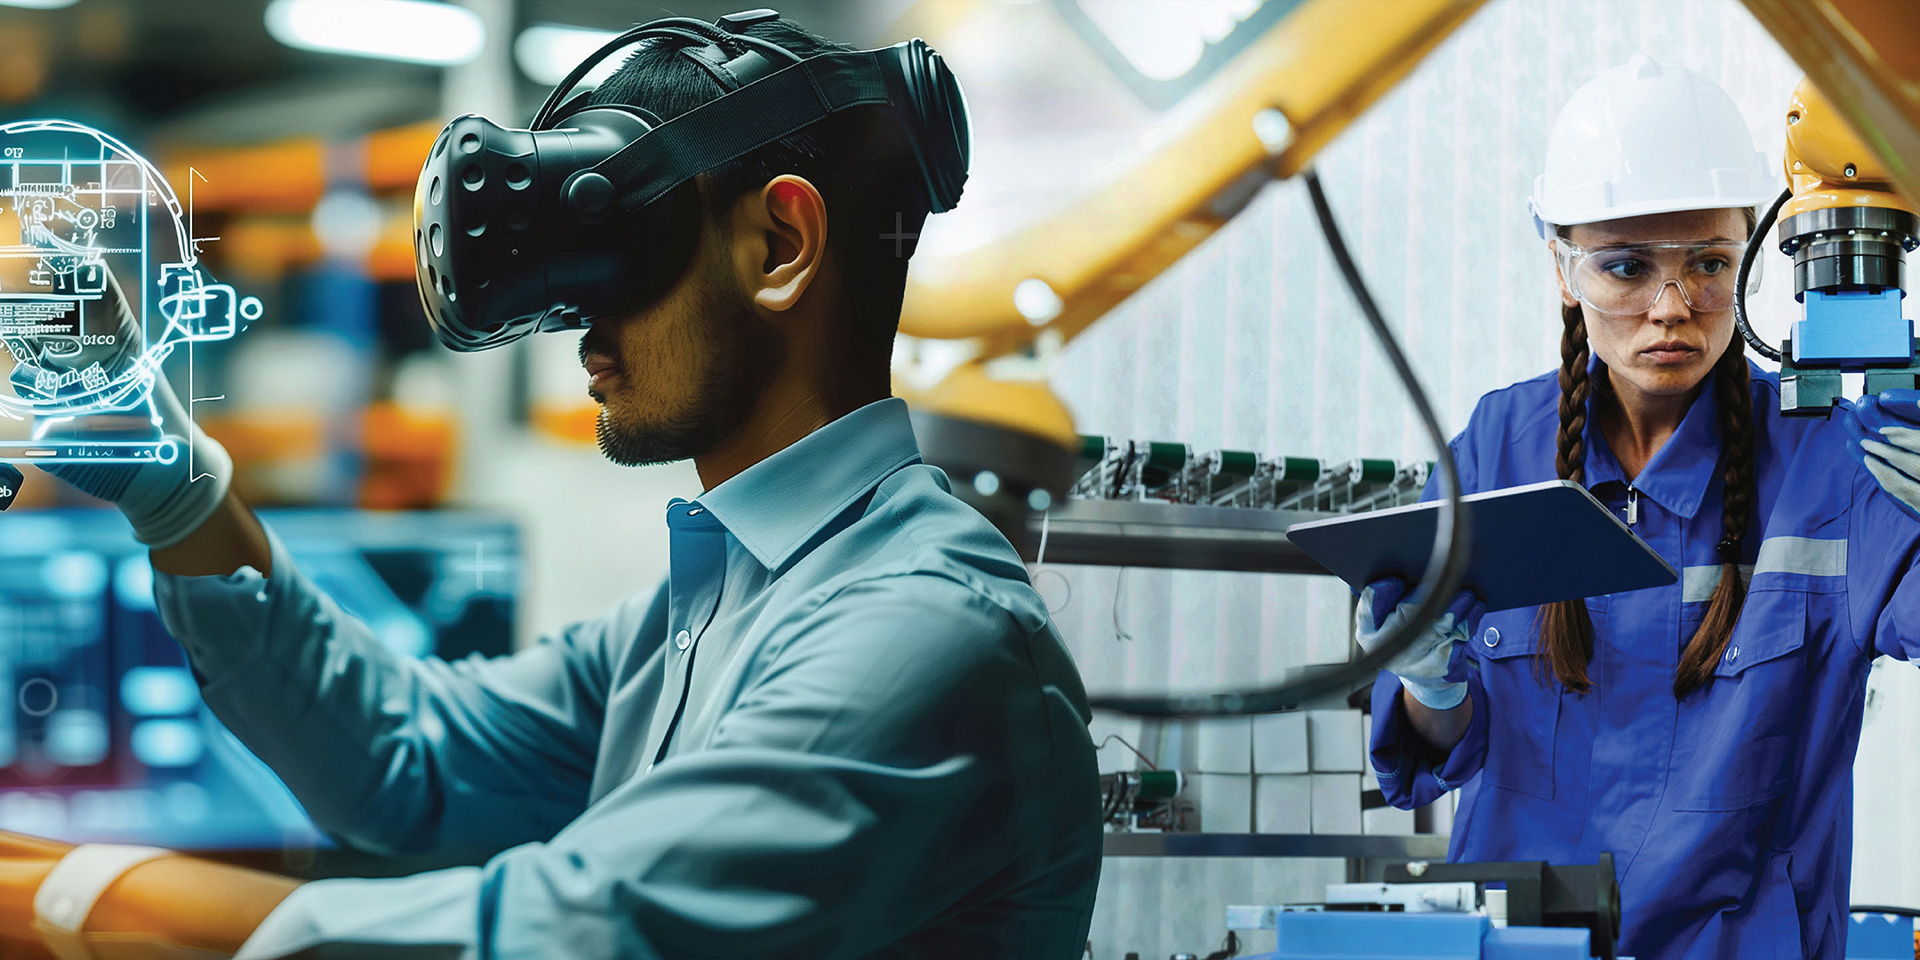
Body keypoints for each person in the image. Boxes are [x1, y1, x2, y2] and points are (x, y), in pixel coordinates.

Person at [0, 13, 1101, 959]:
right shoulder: (709, 606)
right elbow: (402, 755)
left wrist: (68, 897)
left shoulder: (924, 635)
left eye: (618, 246)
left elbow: (554, 935)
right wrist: (177, 488)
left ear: (778, 246)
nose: (580, 320)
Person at [1361, 56, 1920, 959]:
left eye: (1708, 264)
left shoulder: (1832, 461)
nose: (1673, 309)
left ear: (1747, 259)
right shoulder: (1495, 450)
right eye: (1625, 267)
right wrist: (1430, 683)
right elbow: (1437, 752)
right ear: (1562, 267)